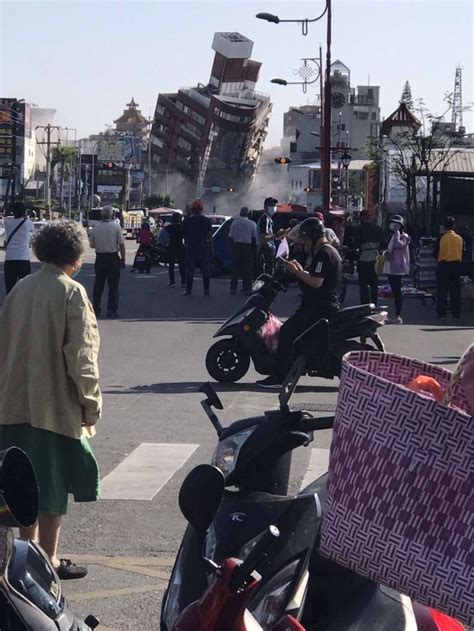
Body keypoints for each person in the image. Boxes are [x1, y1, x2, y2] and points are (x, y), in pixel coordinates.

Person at [0, 222, 101, 580]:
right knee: (52, 485)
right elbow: (82, 359)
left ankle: (26, 553)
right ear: (76, 254)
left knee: (23, 484)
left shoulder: (20, 288)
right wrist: (91, 404)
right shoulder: (71, 292)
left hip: (12, 404)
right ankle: (49, 559)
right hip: (53, 408)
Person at [257, 217, 342, 388]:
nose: (302, 243)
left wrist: (297, 272)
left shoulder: (324, 253)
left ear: (312, 237)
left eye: (304, 239)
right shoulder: (323, 252)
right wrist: (300, 271)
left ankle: (280, 377)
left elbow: (316, 282)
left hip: (319, 308)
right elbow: (313, 278)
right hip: (316, 305)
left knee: (287, 332)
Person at [89, 206, 126, 318]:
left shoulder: (95, 228)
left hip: (100, 258)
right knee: (113, 286)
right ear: (112, 215)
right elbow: (122, 244)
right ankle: (111, 310)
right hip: (113, 257)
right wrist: (123, 259)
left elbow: (92, 245)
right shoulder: (116, 227)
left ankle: (96, 309)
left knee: (98, 285)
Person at [434, 216, 464, 320]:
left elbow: (435, 253)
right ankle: (456, 314)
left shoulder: (441, 238)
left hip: (443, 265)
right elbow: (463, 252)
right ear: (454, 226)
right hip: (456, 266)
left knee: (442, 290)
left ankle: (442, 313)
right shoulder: (459, 238)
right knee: (455, 291)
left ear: (444, 226)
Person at [383, 215, 411, 324]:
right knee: (394, 292)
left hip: (398, 267)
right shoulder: (393, 236)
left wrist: (396, 233)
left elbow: (399, 245)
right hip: (390, 266)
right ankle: (395, 315)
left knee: (397, 292)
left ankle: (398, 316)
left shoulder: (403, 236)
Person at [3, 201, 35, 294]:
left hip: (10, 258)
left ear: (13, 211)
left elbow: (5, 216)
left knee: (10, 287)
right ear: (24, 212)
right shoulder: (27, 223)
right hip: (23, 258)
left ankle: (10, 306)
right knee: (25, 288)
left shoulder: (7, 222)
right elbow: (32, 229)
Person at [183, 199, 213, 296]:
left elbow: (184, 235)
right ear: (202, 209)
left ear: (193, 209)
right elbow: (210, 236)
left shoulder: (188, 221)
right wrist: (211, 249)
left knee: (190, 271)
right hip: (203, 249)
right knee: (205, 271)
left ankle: (188, 290)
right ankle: (206, 291)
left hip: (191, 249)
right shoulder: (206, 221)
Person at [355, 209, 383, 305]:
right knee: (374, 283)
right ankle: (374, 303)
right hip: (375, 258)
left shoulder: (359, 229)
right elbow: (383, 244)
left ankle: (364, 304)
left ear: (362, 218)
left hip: (363, 258)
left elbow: (355, 244)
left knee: (363, 284)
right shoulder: (377, 228)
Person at [229, 206, 258, 295]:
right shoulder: (252, 224)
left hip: (236, 246)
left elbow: (230, 237)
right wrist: (255, 251)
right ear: (248, 214)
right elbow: (254, 239)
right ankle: (246, 288)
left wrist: (232, 248)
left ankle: (233, 288)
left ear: (240, 213)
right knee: (247, 269)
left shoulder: (234, 223)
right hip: (247, 247)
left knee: (235, 269)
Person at [257, 197, 286, 275]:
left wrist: (279, 236)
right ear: (265, 207)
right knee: (267, 273)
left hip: (268, 249)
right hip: (265, 249)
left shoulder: (268, 219)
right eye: (271, 205)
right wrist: (277, 235)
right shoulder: (265, 219)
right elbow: (264, 239)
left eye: (275, 205)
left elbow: (269, 237)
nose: (273, 207)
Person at [166, 213, 186, 288]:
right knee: (182, 265)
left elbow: (166, 235)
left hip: (172, 247)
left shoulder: (170, 227)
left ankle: (172, 282)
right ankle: (183, 282)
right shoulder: (182, 227)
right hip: (180, 246)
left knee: (171, 265)